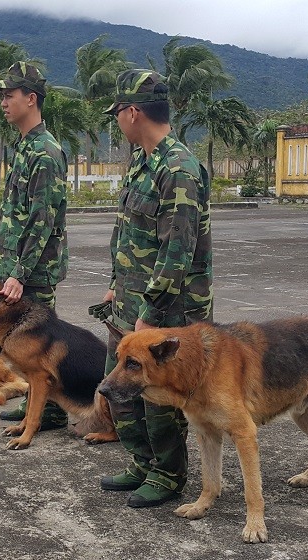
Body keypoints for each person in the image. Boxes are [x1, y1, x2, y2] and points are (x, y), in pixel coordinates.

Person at [98, 69, 213, 508]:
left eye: (118, 114)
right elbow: (129, 235)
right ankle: (141, 463)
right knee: (119, 388)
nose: (117, 122)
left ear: (132, 112)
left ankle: (167, 475)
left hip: (168, 309)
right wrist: (114, 286)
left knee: (159, 397)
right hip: (129, 302)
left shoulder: (179, 168)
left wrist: (150, 311)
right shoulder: (143, 162)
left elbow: (177, 253)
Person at [0, 61, 69, 429]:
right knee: (23, 345)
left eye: (9, 95)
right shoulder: (24, 146)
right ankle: (39, 405)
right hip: (17, 268)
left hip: (33, 270)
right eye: (2, 96)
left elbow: (43, 219)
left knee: (39, 344)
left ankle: (50, 409)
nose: (3, 103)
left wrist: (20, 273)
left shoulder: (45, 152)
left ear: (31, 98)